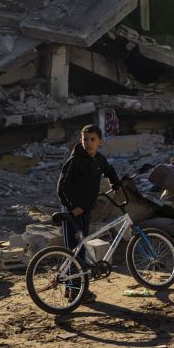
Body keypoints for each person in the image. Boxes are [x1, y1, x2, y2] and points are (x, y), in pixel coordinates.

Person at [57, 124, 122, 300]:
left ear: (100, 141)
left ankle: (72, 289)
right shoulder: (74, 161)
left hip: (85, 209)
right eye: (85, 139)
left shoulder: (98, 159)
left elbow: (109, 170)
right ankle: (77, 292)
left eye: (92, 140)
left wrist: (116, 184)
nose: (89, 143)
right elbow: (61, 188)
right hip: (73, 211)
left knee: (80, 249)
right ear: (81, 140)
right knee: (75, 251)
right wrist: (71, 207)